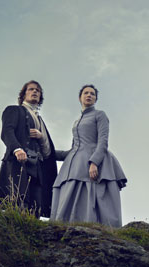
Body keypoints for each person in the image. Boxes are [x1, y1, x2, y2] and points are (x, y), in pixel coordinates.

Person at [51, 84, 127, 227]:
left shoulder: (100, 115)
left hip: (93, 161)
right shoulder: (76, 122)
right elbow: (73, 149)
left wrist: (94, 163)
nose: (89, 95)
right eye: (86, 93)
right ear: (80, 98)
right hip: (75, 164)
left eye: (92, 94)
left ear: (95, 99)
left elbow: (103, 142)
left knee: (93, 195)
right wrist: (49, 153)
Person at [0, 80, 58, 216]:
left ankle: (32, 230)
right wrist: (17, 149)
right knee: (17, 199)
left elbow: (48, 152)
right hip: (19, 161)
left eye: (37, 90)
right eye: (31, 89)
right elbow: (7, 131)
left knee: (36, 203)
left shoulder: (40, 121)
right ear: (23, 94)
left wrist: (41, 136)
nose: (34, 91)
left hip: (37, 165)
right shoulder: (14, 110)